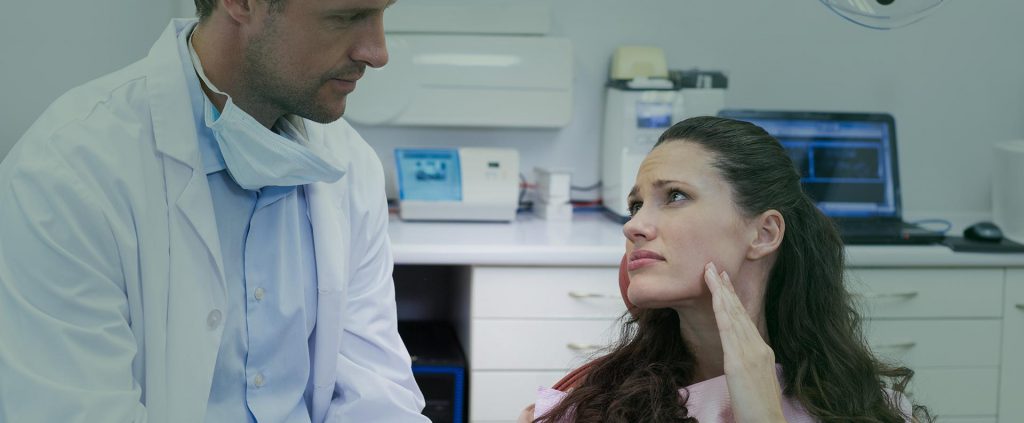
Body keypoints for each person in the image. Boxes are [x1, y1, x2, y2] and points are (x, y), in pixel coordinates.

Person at [0, 0, 429, 421]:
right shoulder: (67, 176)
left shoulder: (351, 165)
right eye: (346, 17)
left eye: (382, 13)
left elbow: (376, 394)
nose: (377, 52)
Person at [519, 116, 930, 422]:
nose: (633, 225)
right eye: (636, 205)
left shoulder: (873, 411)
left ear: (764, 233)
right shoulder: (590, 409)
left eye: (676, 196)